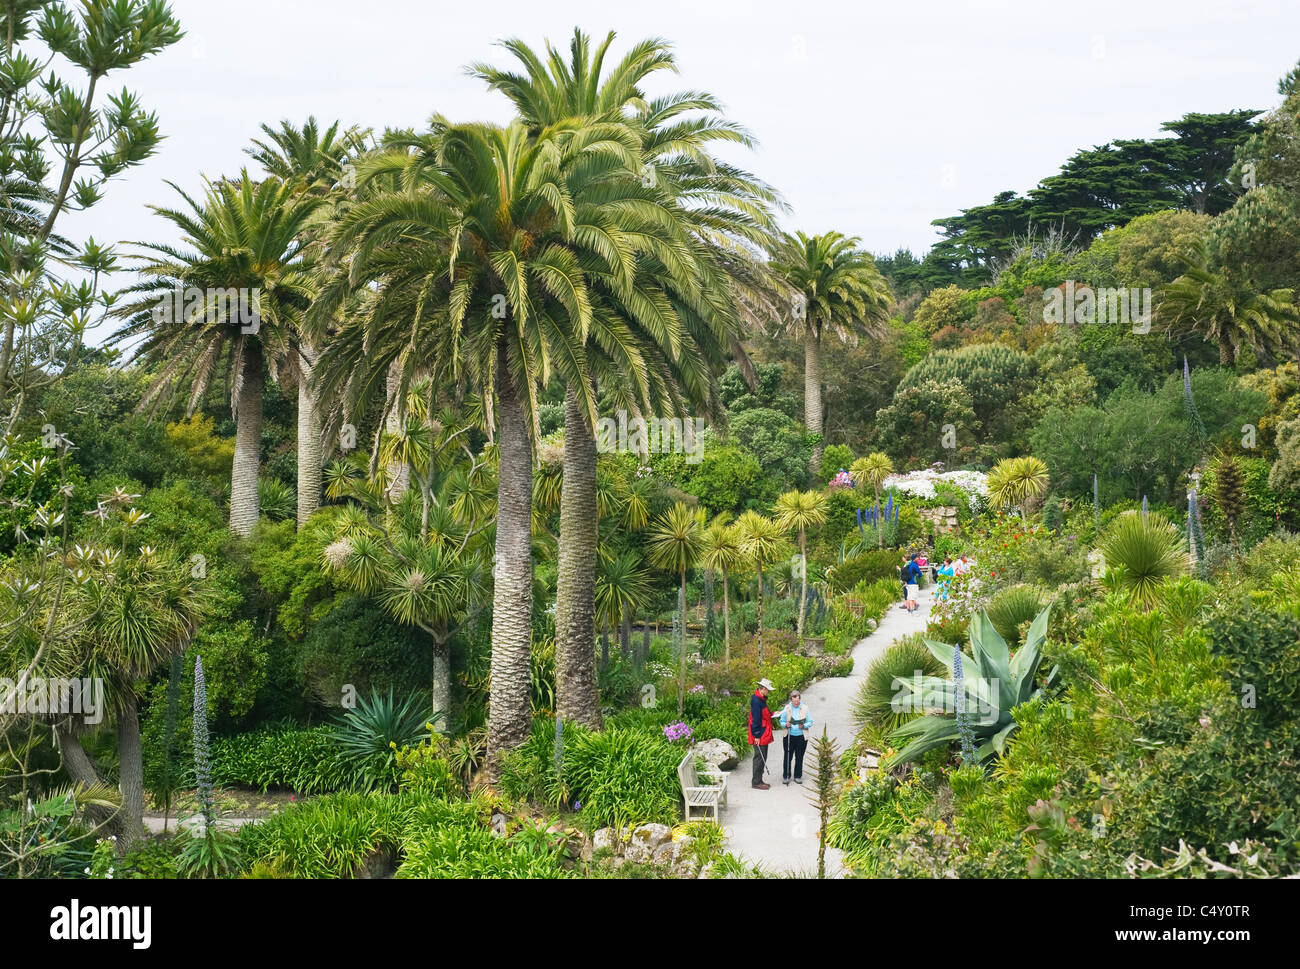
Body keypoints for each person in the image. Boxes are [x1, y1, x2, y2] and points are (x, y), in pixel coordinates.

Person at [778, 690, 814, 785]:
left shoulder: (805, 708)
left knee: (799, 756)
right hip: (789, 736)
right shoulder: (787, 708)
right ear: (791, 700)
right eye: (794, 701)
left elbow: (810, 721)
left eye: (798, 701)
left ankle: (798, 776)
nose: (796, 703)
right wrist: (786, 724)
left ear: (800, 699)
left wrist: (804, 725)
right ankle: (786, 776)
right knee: (788, 756)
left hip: (801, 736)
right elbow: (781, 721)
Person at [748, 678, 775, 790]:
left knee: (763, 755)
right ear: (763, 689)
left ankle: (759, 779)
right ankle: (756, 782)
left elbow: (764, 714)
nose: (768, 692)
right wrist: (757, 736)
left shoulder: (761, 699)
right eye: (768, 689)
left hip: (763, 732)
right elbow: (755, 719)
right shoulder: (756, 701)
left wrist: (773, 714)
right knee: (759, 757)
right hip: (760, 734)